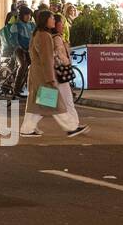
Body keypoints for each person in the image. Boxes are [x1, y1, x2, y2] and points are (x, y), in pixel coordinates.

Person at [19, 9, 88, 138]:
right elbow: (47, 59)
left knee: (39, 105)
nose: (54, 21)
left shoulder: (37, 34)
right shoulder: (45, 36)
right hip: (44, 76)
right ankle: (71, 127)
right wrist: (50, 78)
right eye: (52, 19)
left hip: (37, 74)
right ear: (46, 20)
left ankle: (27, 128)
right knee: (55, 104)